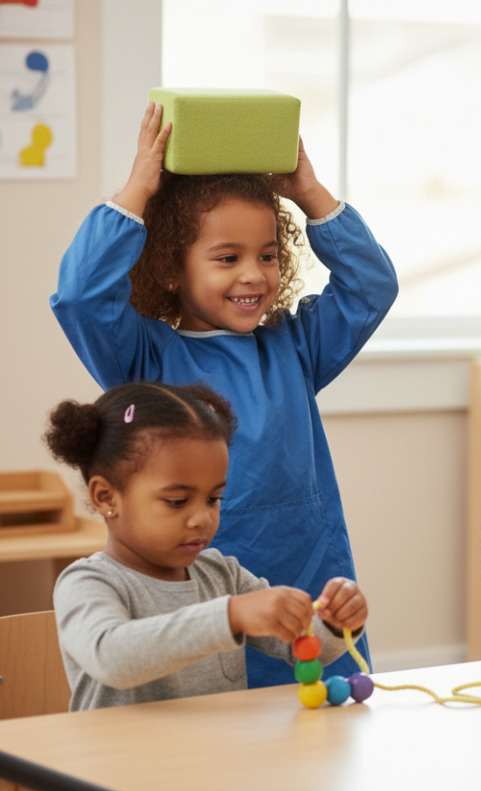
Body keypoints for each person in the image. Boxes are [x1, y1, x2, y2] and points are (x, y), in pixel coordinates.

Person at [50, 102, 397, 687]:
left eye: (267, 256)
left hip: (304, 570)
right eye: (226, 258)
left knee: (308, 732)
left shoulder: (294, 346)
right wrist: (138, 190)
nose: (253, 275)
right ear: (168, 268)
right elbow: (82, 297)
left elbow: (371, 287)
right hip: (196, 586)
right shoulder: (146, 357)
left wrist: (309, 193)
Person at [46, 381, 369, 711]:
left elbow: (305, 644)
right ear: (106, 497)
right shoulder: (86, 583)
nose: (202, 518)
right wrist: (229, 617)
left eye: (214, 498)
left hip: (216, 757)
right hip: (119, 762)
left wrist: (338, 622)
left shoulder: (223, 575)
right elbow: (111, 658)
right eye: (177, 501)